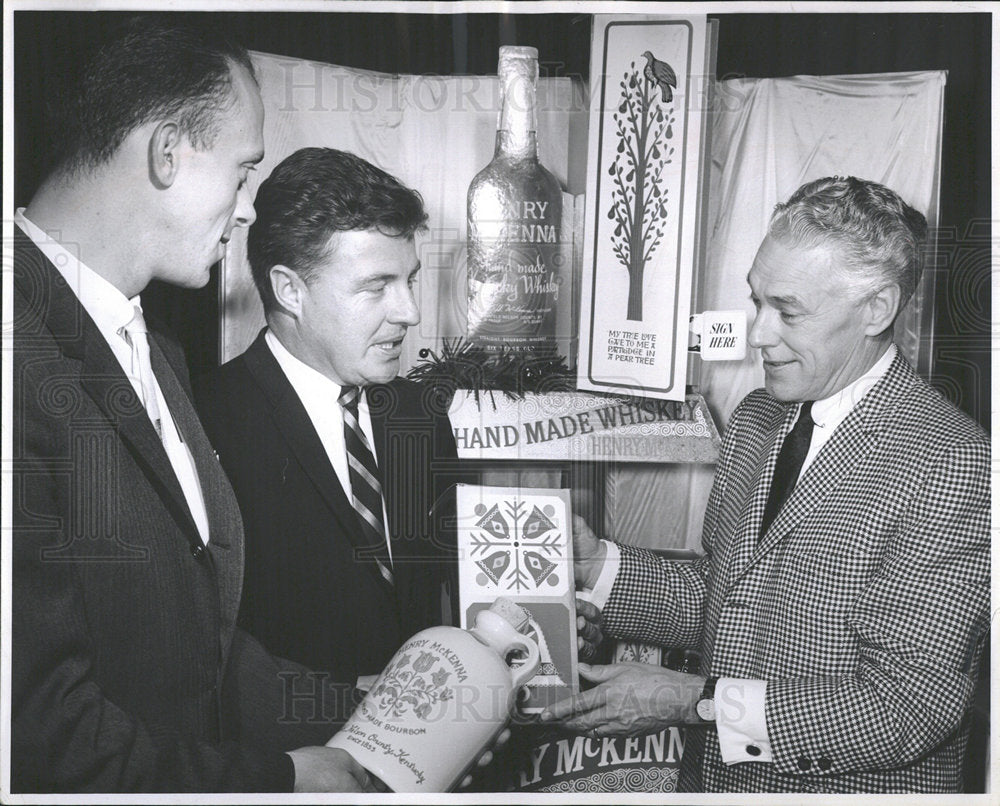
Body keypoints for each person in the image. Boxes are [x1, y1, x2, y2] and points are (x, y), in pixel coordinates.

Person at [11, 18, 374, 793]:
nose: (247, 210)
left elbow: (194, 644)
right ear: (167, 153)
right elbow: (36, 734)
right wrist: (278, 782)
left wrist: (367, 708)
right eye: (242, 172)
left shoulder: (154, 345)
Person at [542, 177, 990, 793]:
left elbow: (905, 711)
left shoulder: (953, 463)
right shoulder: (759, 417)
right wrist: (601, 564)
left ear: (877, 309)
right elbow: (727, 602)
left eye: (789, 310)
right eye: (756, 302)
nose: (758, 334)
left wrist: (694, 702)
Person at [195, 147, 462, 689]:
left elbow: (448, 590)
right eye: (376, 286)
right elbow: (197, 647)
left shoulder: (419, 414)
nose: (409, 311)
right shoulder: (202, 422)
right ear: (290, 290)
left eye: (409, 280)